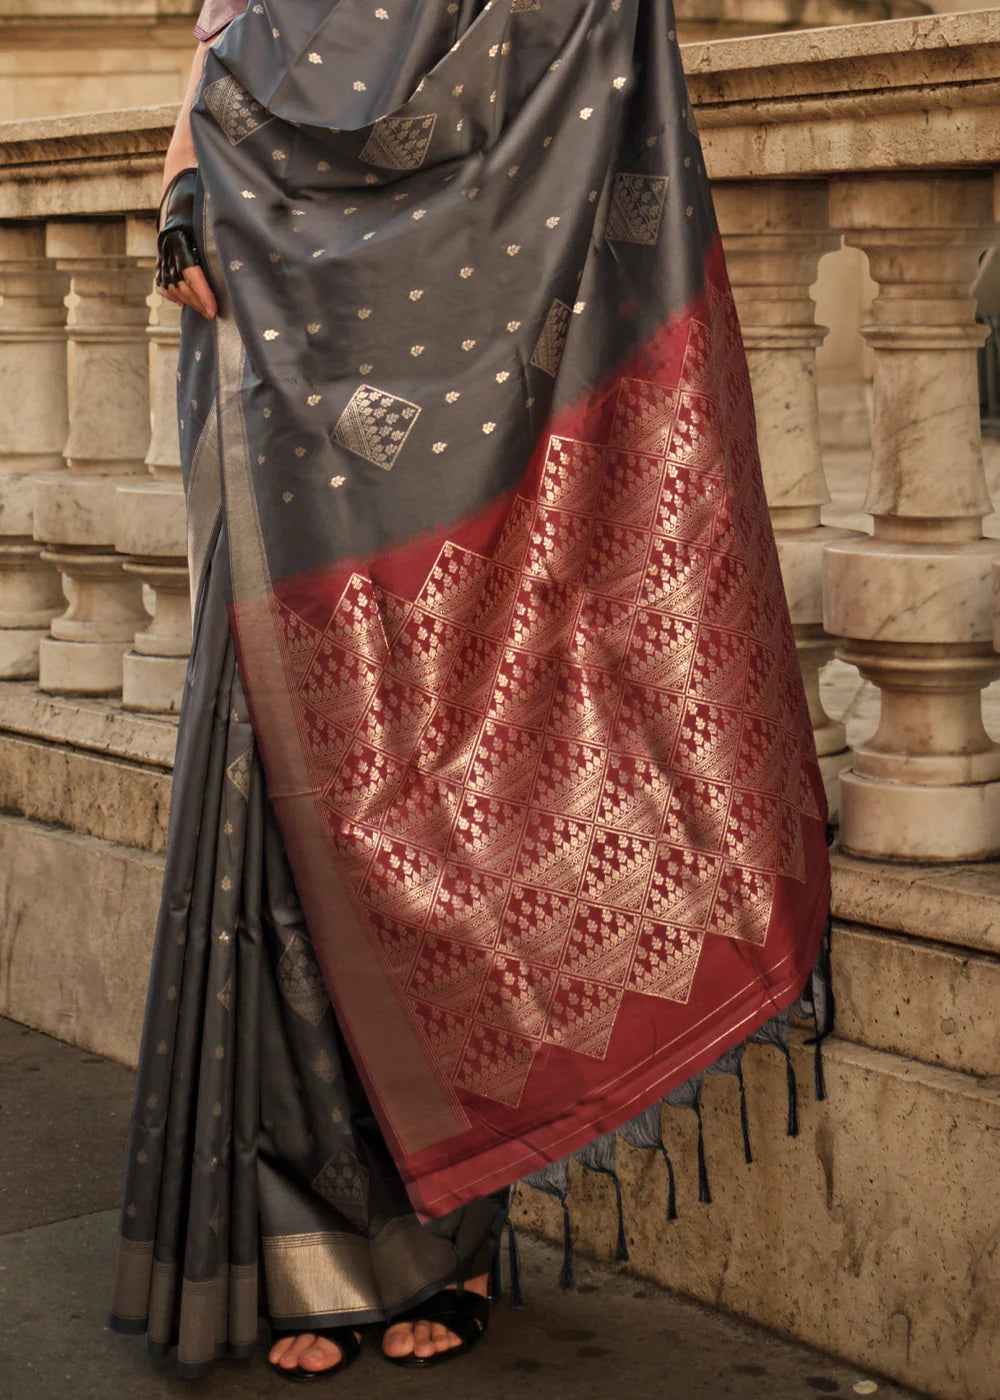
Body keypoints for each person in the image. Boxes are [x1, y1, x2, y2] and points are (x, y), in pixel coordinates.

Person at [110, 0, 832, 1383]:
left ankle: (449, 1243)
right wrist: (183, 190)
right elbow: (220, 40)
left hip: (484, 311)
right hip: (277, 320)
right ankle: (302, 1243)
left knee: (472, 783)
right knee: (287, 791)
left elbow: (590, 71)